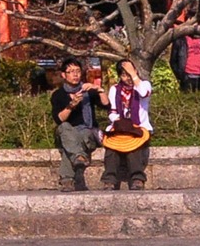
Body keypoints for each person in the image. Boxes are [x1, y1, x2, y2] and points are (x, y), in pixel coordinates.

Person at [100, 60, 154, 191]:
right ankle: (109, 180)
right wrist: (120, 123)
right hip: (120, 127)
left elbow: (144, 93)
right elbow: (112, 112)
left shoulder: (144, 84)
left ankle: (137, 179)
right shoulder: (115, 89)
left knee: (133, 147)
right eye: (124, 75)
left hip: (139, 127)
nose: (128, 78)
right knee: (111, 148)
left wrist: (133, 74)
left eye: (129, 73)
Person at [50, 60, 102, 192]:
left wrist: (99, 89)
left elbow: (107, 105)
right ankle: (79, 157)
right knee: (64, 128)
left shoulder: (88, 91)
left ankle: (67, 180)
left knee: (79, 138)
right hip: (67, 133)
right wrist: (71, 105)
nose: (75, 75)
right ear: (63, 75)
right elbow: (59, 119)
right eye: (71, 72)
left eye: (78, 71)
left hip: (87, 132)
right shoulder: (58, 95)